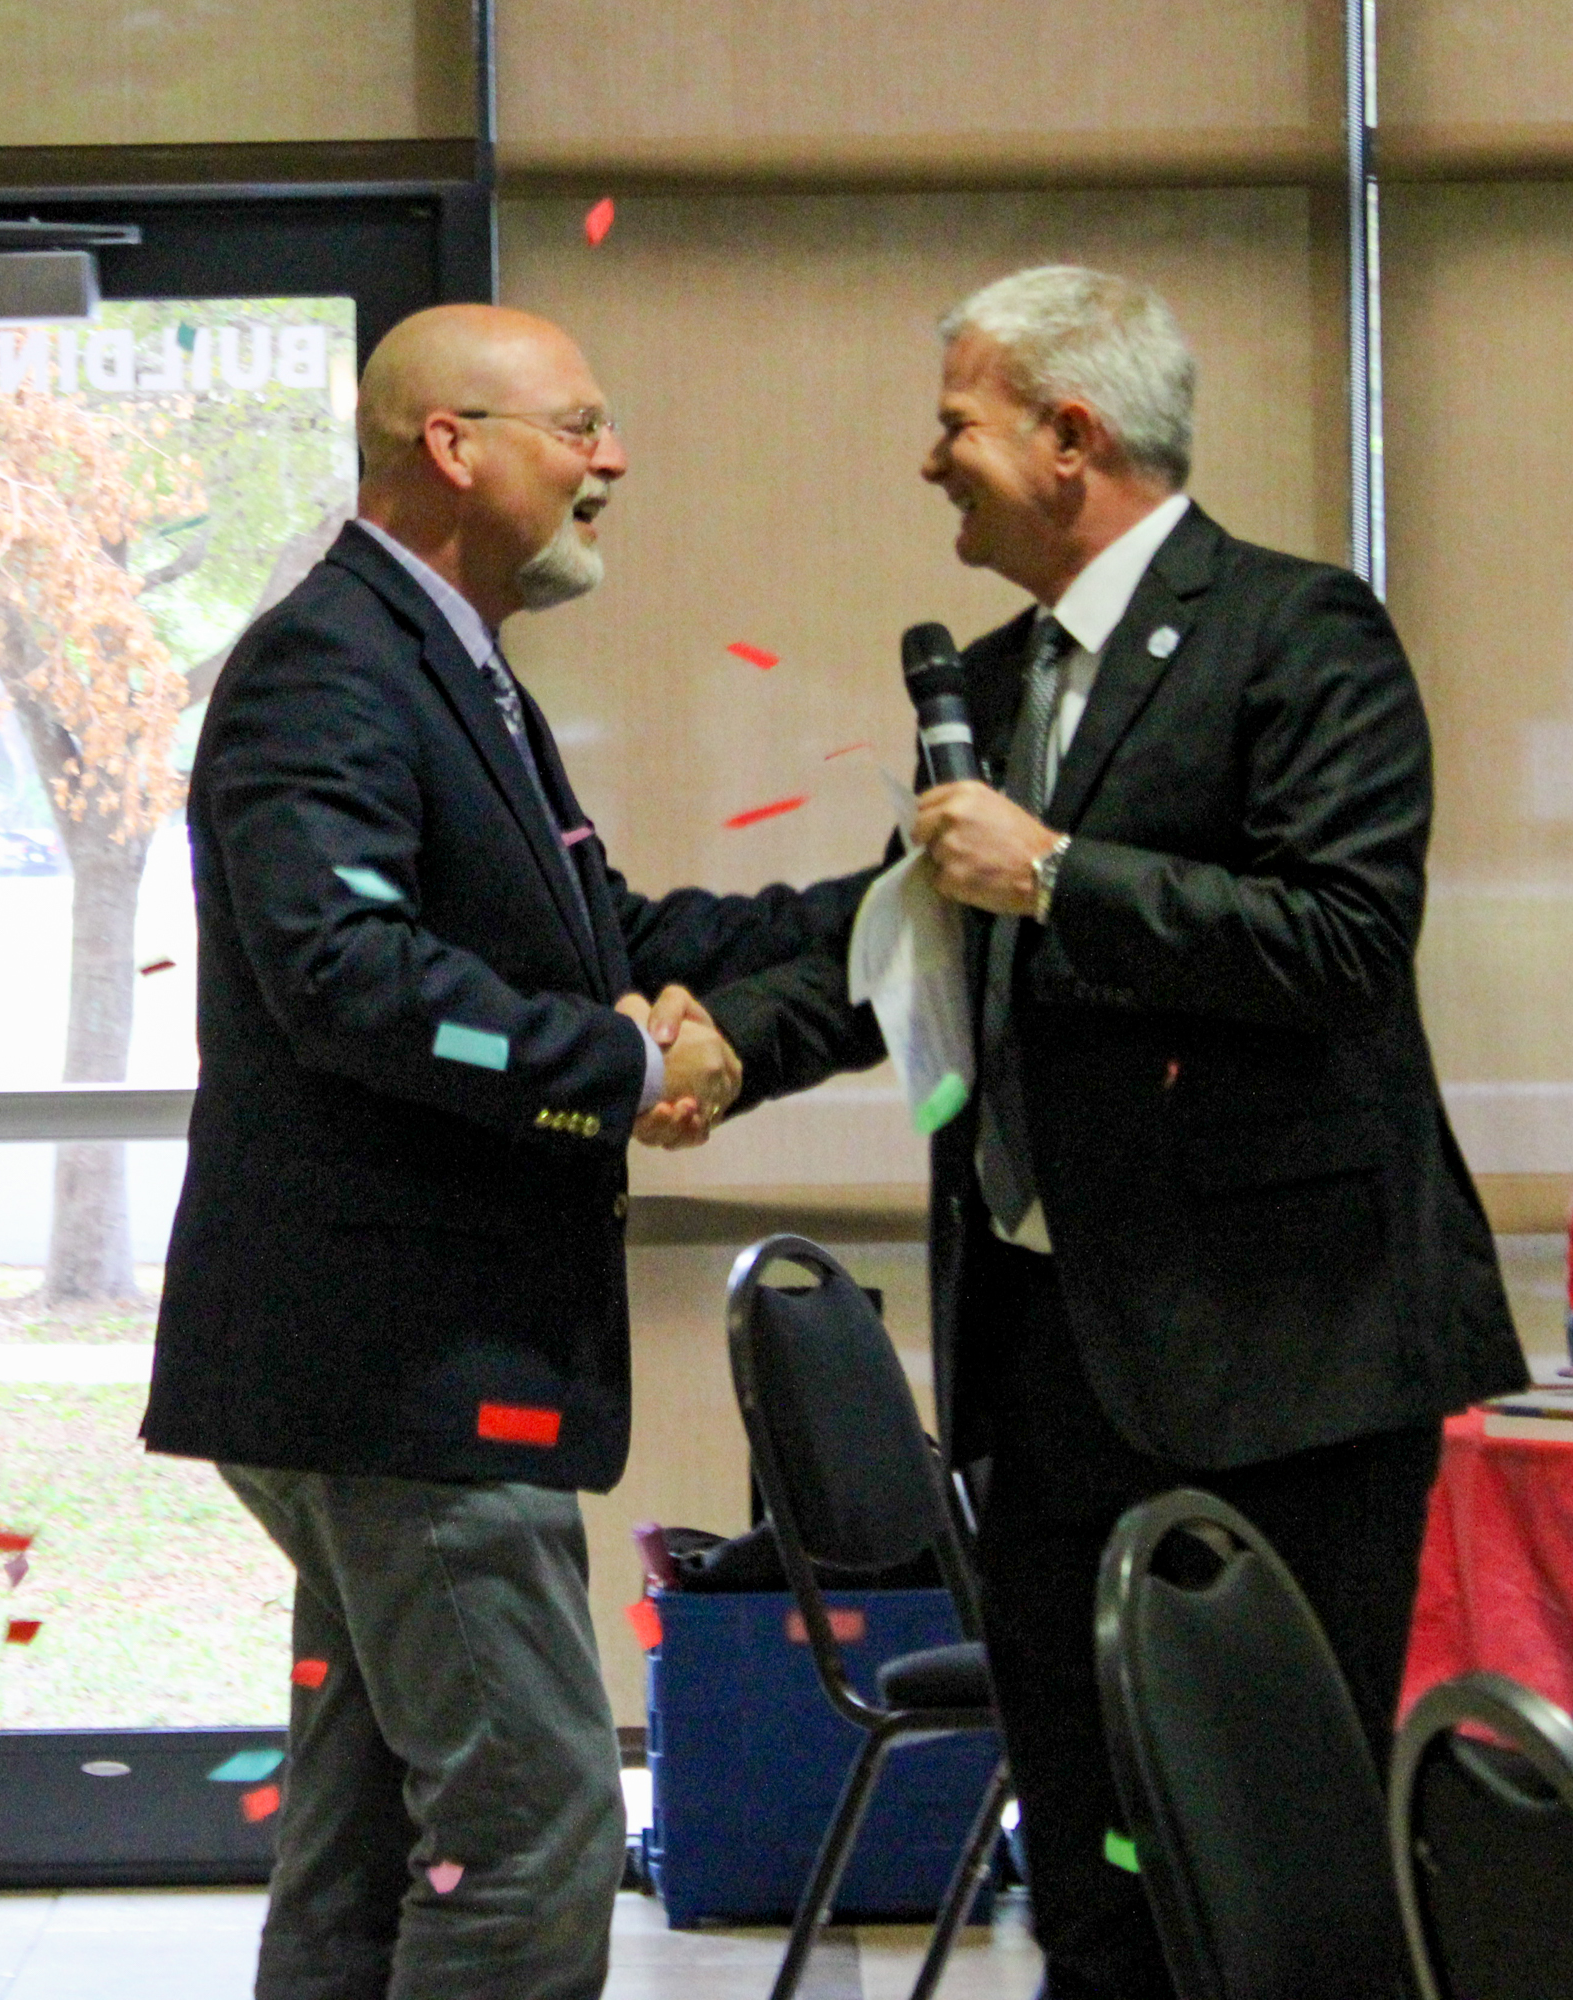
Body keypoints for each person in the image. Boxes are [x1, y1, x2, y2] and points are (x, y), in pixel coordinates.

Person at [698, 265, 1527, 2000]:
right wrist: (704, 1053)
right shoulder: (993, 684)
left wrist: (1062, 874)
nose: (931, 461)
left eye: (956, 422)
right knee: (1092, 1865)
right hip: (1052, 1363)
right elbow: (903, 937)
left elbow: (1343, 942)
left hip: (1283, 1369)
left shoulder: (1301, 635)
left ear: (1068, 437)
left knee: (1271, 1863)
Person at [140, 302, 873, 2000]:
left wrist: (875, 922)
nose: (611, 461)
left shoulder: (450, 663)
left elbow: (603, 937)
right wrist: (613, 1067)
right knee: (533, 1820)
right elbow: (348, 979)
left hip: (375, 1366)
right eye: (580, 427)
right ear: (451, 447)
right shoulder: (333, 660)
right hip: (397, 1368)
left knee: (380, 1826)